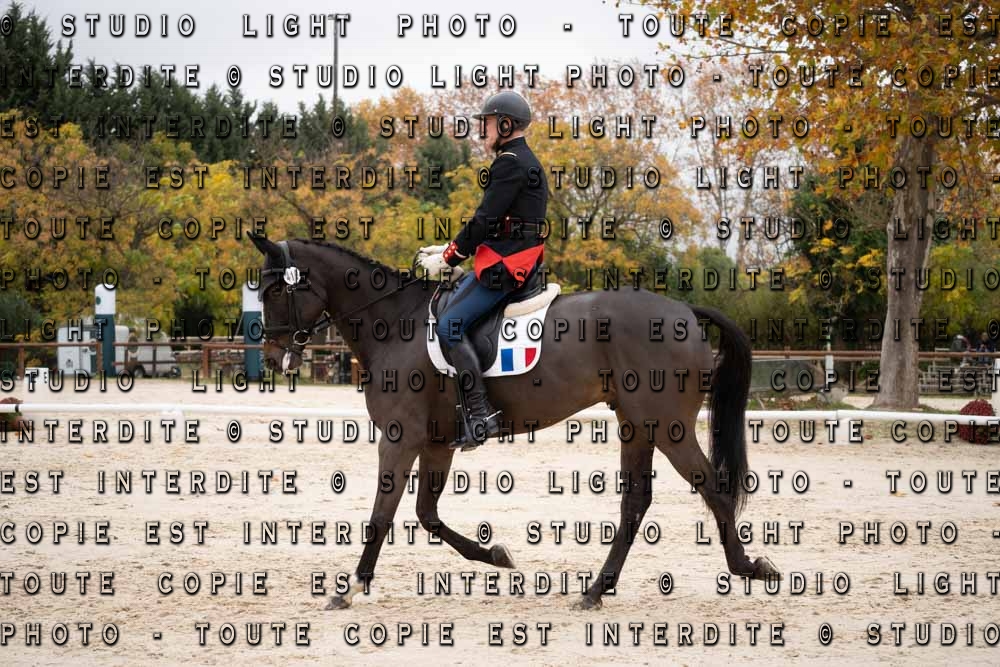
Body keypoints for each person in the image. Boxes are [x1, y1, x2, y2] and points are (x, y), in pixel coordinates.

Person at [418, 90, 549, 450]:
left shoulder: (509, 163)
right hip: (513, 257)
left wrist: (448, 258)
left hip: (506, 266)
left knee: (449, 325)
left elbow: (484, 221)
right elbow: (500, 224)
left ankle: (480, 415)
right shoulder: (523, 159)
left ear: (505, 124)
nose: (483, 130)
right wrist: (449, 248)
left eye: (488, 123)